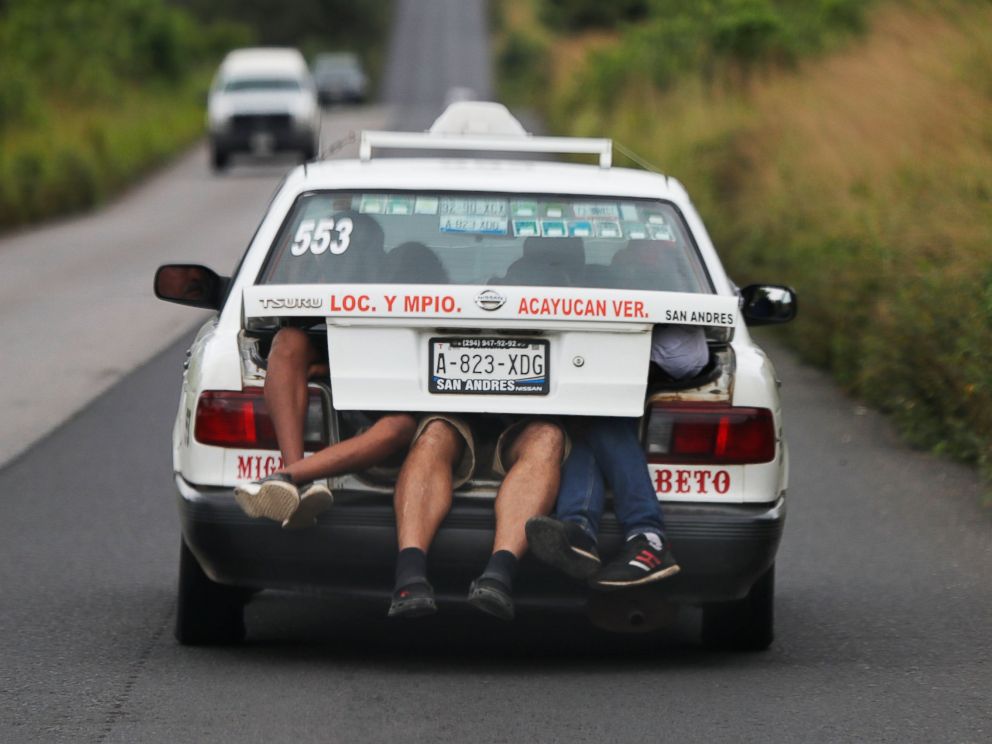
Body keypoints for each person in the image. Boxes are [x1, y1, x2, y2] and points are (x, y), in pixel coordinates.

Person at [525, 324, 709, 589]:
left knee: (602, 415)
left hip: (660, 347)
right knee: (582, 421)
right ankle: (579, 531)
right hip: (603, 344)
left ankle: (648, 536)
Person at [388, 414, 566, 621]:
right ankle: (409, 576)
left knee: (547, 436)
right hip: (452, 420)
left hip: (524, 426)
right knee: (434, 435)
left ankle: (498, 576)